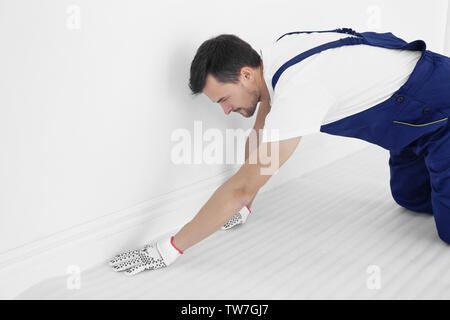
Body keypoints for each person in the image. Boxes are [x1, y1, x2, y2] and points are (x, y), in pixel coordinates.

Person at [110, 28, 450, 275]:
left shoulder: (300, 88)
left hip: (441, 108)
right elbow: (263, 125)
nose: (225, 111)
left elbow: (242, 185)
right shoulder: (274, 56)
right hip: (412, 130)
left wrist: (169, 248)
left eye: (223, 99)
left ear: (245, 74)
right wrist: (248, 204)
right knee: (409, 199)